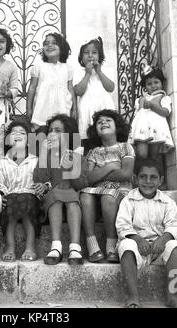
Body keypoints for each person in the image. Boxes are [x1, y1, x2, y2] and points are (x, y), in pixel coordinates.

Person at [116, 158, 177, 308]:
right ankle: (133, 296)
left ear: (161, 180)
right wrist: (137, 239)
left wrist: (163, 239)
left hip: (159, 248)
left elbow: (173, 225)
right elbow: (122, 226)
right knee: (126, 246)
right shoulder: (128, 200)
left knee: (174, 246)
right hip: (137, 247)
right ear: (135, 179)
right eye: (143, 177)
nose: (148, 181)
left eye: (153, 177)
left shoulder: (168, 202)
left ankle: (172, 295)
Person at [80, 110, 135, 263]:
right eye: (99, 122)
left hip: (119, 191)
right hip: (96, 191)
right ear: (96, 130)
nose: (103, 122)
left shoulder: (126, 147)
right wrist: (111, 167)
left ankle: (111, 243)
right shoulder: (93, 152)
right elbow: (89, 178)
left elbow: (126, 174)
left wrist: (99, 172)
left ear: (117, 126)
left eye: (108, 120)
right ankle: (92, 245)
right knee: (84, 194)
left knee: (108, 196)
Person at [33, 114, 89, 265]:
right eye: (50, 130)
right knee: (56, 195)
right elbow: (39, 179)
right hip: (52, 200)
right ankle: (56, 246)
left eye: (58, 130)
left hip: (73, 200)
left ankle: (75, 247)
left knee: (71, 198)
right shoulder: (46, 156)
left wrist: (70, 167)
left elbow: (81, 184)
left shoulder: (77, 157)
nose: (52, 134)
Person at [0, 119, 42, 262]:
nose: (18, 135)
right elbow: (1, 185)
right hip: (10, 198)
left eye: (22, 133)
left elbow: (41, 182)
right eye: (14, 133)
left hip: (31, 198)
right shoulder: (2, 162)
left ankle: (30, 246)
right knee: (12, 200)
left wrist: (39, 189)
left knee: (26, 199)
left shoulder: (36, 161)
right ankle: (10, 246)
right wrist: (4, 195)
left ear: (28, 140)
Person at [26, 33, 77, 133]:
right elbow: (32, 88)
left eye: (54, 43)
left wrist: (74, 109)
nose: (49, 45)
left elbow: (70, 89)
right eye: (46, 43)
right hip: (42, 109)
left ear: (62, 48)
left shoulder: (68, 68)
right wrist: (29, 109)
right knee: (39, 136)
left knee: (62, 135)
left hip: (62, 107)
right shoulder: (39, 67)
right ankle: (35, 148)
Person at [74, 37, 115, 151]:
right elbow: (78, 91)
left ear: (100, 57)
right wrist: (87, 74)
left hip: (103, 109)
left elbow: (110, 87)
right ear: (81, 58)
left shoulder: (105, 71)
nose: (90, 55)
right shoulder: (78, 72)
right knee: (88, 141)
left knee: (106, 140)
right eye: (86, 53)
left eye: (94, 52)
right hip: (87, 111)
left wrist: (99, 72)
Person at [128, 66, 174, 160]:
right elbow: (138, 114)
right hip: (142, 130)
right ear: (145, 87)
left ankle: (154, 172)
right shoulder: (141, 99)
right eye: (149, 84)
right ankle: (141, 170)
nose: (153, 86)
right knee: (142, 154)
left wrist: (152, 106)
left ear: (162, 83)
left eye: (156, 82)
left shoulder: (164, 98)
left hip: (156, 130)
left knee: (154, 156)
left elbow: (166, 112)